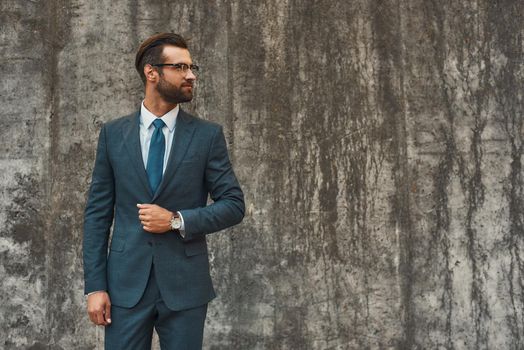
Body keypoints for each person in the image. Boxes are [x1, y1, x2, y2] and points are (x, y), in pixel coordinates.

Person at [83, 32, 245, 349]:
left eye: (191, 67)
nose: (191, 75)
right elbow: (97, 215)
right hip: (125, 287)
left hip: (185, 286)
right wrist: (95, 287)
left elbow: (234, 204)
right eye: (180, 67)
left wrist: (175, 220)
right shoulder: (113, 134)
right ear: (152, 73)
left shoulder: (207, 136)